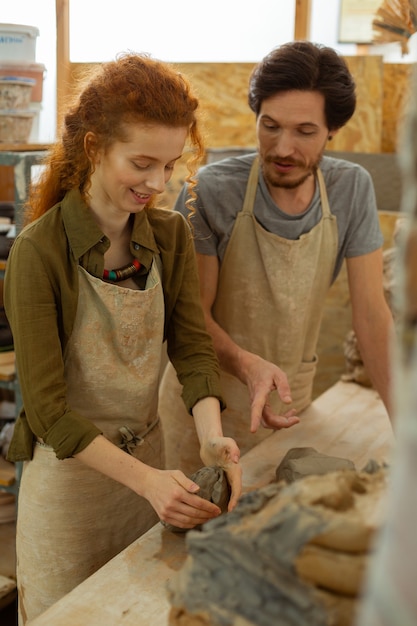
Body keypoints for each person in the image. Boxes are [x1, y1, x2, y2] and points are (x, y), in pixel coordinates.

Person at [4, 53, 242, 624]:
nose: (157, 184)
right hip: (71, 493)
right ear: (93, 149)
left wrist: (212, 437)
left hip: (148, 478)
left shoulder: (170, 234)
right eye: (142, 163)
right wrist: (149, 483)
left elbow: (192, 350)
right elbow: (48, 411)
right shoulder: (38, 252)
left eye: (171, 164)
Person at [159, 40, 394, 474]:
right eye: (270, 126)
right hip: (207, 408)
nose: (283, 148)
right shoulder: (211, 191)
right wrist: (248, 366)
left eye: (305, 131)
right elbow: (191, 317)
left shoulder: (351, 189)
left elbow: (373, 317)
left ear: (332, 131)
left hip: (288, 407)